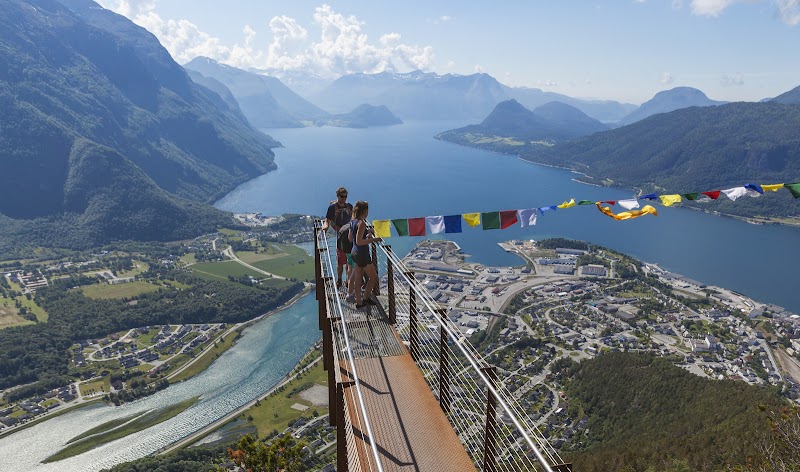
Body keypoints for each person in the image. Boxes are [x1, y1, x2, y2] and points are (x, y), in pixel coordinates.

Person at [350, 201, 381, 309]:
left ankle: (359, 302)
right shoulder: (362, 223)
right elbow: (359, 241)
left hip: (354, 252)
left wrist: (367, 232)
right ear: (364, 211)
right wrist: (374, 239)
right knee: (374, 277)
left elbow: (353, 237)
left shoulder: (353, 221)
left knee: (358, 280)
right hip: (362, 254)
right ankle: (366, 297)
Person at [322, 187, 353, 289]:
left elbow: (354, 219)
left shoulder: (349, 207)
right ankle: (339, 279)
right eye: (342, 196)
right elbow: (327, 220)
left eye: (345, 196)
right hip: (340, 236)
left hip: (349, 236)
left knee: (349, 261)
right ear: (337, 196)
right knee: (340, 261)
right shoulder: (332, 208)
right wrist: (325, 226)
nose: (344, 198)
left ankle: (348, 280)